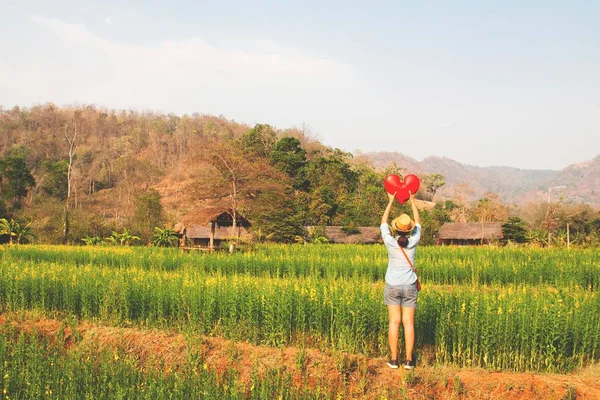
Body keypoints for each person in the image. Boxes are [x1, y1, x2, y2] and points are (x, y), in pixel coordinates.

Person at [380, 190, 421, 370]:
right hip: (409, 286)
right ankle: (409, 361)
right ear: (409, 229)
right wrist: (412, 201)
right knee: (408, 323)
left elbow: (383, 222)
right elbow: (418, 222)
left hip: (392, 286)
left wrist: (390, 202)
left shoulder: (390, 241)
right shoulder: (413, 242)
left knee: (394, 322)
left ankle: (394, 360)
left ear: (395, 228)